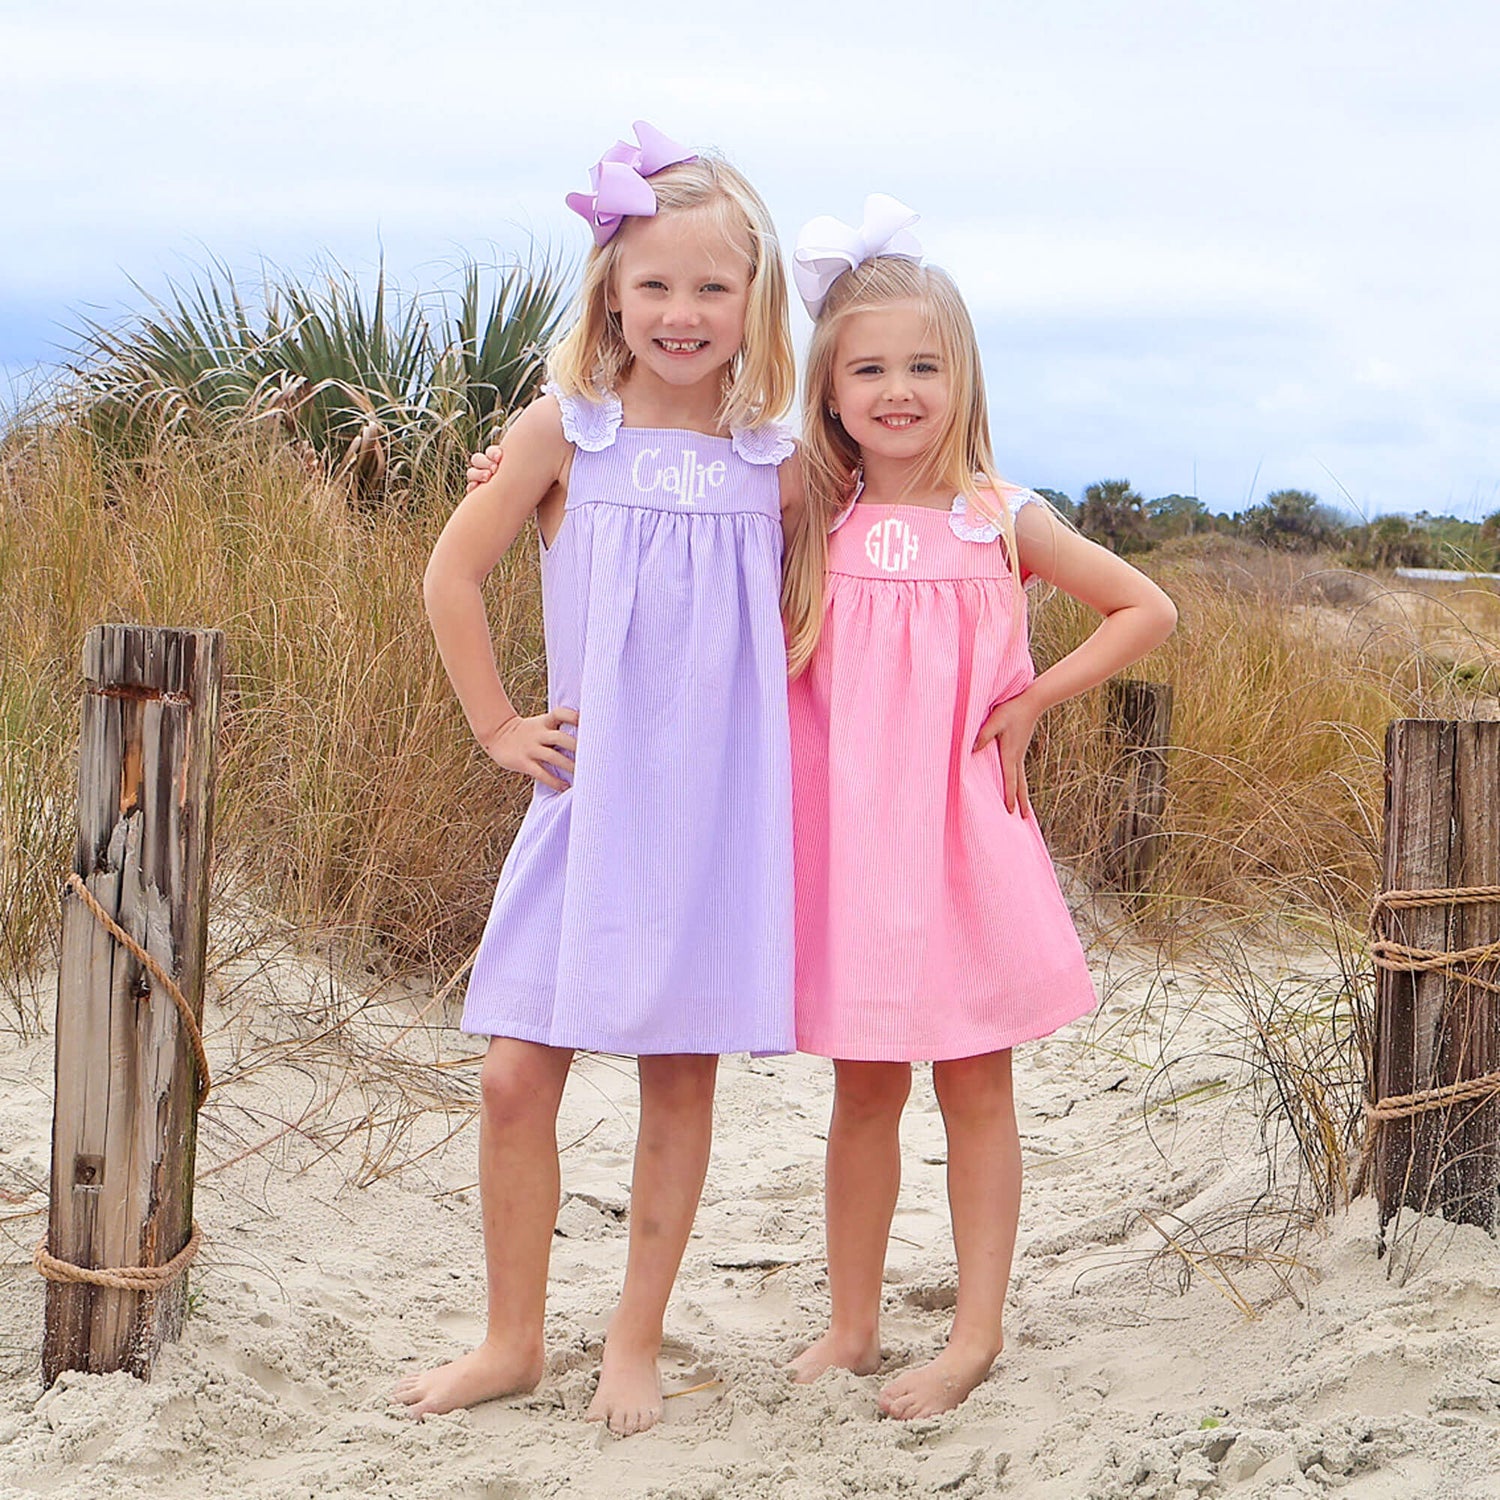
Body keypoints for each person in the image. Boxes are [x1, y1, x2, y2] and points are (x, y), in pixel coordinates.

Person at [396, 122, 799, 1437]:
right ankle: (511, 1339)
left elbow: (842, 579)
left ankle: (634, 1341)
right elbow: (452, 575)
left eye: (713, 286)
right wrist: (497, 725)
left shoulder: (779, 460)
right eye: (656, 284)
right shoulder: (566, 433)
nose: (683, 312)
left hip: (711, 819)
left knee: (679, 1082)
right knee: (515, 1076)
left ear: (755, 298)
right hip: (584, 805)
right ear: (611, 292)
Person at [781, 198, 1177, 1419]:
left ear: (962, 377)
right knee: (863, 1089)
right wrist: (515, 471)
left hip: (959, 839)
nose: (898, 391)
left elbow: (1146, 608)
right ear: (829, 387)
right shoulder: (807, 514)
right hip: (852, 847)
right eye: (869, 369)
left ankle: (973, 1336)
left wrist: (1032, 700)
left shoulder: (1001, 516)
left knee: (975, 1085)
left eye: (924, 366)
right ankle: (853, 1324)